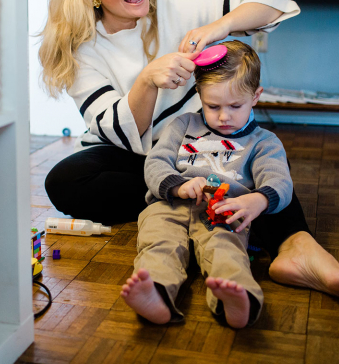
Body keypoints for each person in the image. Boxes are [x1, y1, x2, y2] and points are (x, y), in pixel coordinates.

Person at [38, 0, 339, 299]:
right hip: (138, 154)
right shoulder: (83, 50)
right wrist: (147, 81)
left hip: (203, 146)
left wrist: (221, 26)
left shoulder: (175, 7)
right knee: (65, 180)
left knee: (256, 157)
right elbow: (122, 134)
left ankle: (299, 248)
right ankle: (204, 204)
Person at [123, 41, 303, 328]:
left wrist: (257, 200)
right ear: (199, 95)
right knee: (158, 243)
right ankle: (155, 293)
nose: (223, 116)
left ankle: (236, 297)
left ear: (256, 96)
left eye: (235, 106)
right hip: (169, 206)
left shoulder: (264, 142)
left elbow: (280, 181)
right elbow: (155, 163)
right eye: (213, 105)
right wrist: (177, 186)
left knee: (226, 249)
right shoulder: (183, 125)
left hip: (222, 214)